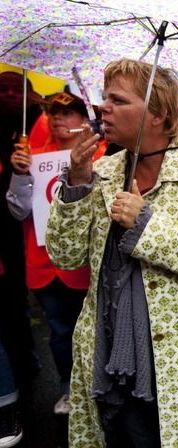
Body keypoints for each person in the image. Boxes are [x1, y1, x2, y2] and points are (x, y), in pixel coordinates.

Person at [44, 59, 178, 447]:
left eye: (118, 100)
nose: (104, 108)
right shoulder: (100, 171)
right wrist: (78, 183)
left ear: (159, 115)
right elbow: (65, 256)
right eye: (105, 98)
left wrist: (145, 224)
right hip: (107, 354)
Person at [6, 91, 107, 415]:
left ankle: (100, 390)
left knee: (96, 330)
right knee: (60, 333)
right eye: (53, 112)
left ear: (84, 118)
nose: (59, 118)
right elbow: (19, 210)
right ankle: (69, 388)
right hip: (45, 264)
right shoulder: (32, 157)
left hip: (86, 266)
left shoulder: (104, 155)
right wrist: (20, 174)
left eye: (69, 111)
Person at [0, 72, 41, 386]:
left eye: (18, 88)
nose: (12, 94)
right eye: (4, 89)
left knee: (17, 301)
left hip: (28, 226)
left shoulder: (39, 126)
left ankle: (25, 365)